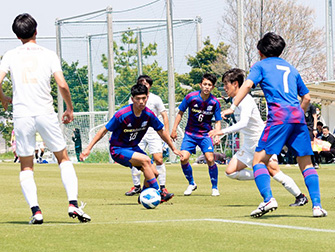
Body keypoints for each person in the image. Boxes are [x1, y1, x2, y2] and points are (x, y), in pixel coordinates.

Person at [222, 32, 327, 217]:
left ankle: (268, 199)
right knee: (306, 164)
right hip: (297, 117)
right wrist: (297, 114)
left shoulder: (260, 66)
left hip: (279, 117)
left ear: (260, 51)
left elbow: (246, 85)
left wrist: (233, 106)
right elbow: (307, 97)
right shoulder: (291, 68)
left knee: (258, 160)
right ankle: (317, 206)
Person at [0, 13, 91, 224]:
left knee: (26, 166)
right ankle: (73, 204)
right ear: (36, 31)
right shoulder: (48, 54)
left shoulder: (11, 55)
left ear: (16, 35)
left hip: (22, 114)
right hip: (45, 112)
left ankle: (36, 211)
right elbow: (61, 84)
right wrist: (69, 108)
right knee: (63, 158)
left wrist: (3, 97)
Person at [209, 68, 308, 207]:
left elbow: (243, 123)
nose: (225, 88)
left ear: (235, 84)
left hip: (260, 142)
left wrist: (222, 132)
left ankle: (300, 196)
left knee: (274, 171)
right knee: (230, 172)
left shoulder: (246, 100)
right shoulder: (235, 101)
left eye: (226, 84)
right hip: (249, 144)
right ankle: (260, 175)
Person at [80, 84, 183, 204]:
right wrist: (88, 149)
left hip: (133, 148)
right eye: (138, 99)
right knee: (145, 160)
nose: (141, 101)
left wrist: (173, 148)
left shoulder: (149, 115)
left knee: (154, 173)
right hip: (118, 149)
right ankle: (158, 193)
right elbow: (103, 130)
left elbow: (161, 131)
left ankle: (143, 196)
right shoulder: (122, 114)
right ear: (132, 99)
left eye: (144, 98)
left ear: (147, 98)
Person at [171, 73, 222, 196]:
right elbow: (180, 113)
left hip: (205, 135)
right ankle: (191, 183)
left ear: (213, 87)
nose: (206, 87)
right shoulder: (191, 97)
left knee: (210, 158)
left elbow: (218, 120)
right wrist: (174, 129)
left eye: (209, 85)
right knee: (184, 158)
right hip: (190, 134)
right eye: (205, 84)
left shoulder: (215, 102)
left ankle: (214, 187)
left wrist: (217, 135)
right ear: (200, 85)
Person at [125, 75, 172, 197]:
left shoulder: (156, 99)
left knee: (159, 159)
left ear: (150, 86)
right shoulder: (133, 99)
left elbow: (164, 115)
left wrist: (166, 133)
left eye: (146, 83)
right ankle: (136, 187)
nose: (144, 85)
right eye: (141, 83)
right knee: (136, 160)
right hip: (137, 132)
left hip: (153, 132)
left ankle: (162, 187)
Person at [305, 103, 318, 168]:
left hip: (310, 127)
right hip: (302, 126)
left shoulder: (311, 106)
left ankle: (315, 162)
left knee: (312, 145)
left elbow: (315, 117)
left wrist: (314, 128)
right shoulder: (299, 105)